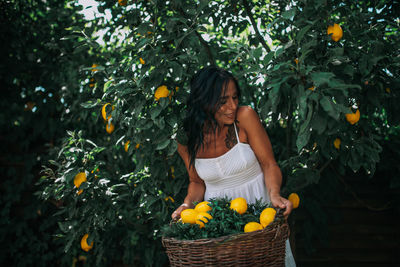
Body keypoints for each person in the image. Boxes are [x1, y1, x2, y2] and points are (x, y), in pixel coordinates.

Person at [171, 65, 296, 266]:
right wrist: (187, 205)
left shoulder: (245, 117)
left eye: (235, 97)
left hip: (259, 214)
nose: (232, 106)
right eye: (223, 101)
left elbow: (269, 164)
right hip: (219, 227)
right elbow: (196, 182)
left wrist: (274, 194)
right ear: (203, 102)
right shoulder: (187, 139)